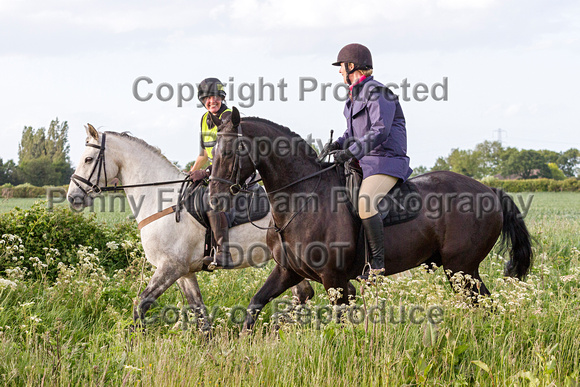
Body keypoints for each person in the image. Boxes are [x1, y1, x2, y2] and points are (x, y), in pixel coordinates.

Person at [323, 43, 413, 281]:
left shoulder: (377, 92)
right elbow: (352, 133)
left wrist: (351, 150)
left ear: (351, 66)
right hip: (364, 162)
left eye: (341, 67)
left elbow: (381, 130)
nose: (339, 72)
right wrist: (338, 145)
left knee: (365, 202)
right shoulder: (353, 97)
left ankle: (378, 265)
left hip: (385, 161)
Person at [189, 77, 233, 269]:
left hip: (232, 172)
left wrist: (206, 173)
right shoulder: (204, 119)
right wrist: (191, 174)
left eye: (215, 97)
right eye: (207, 98)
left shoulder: (229, 117)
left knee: (212, 202)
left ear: (222, 97)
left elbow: (228, 157)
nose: (211, 101)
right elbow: (204, 154)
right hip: (215, 173)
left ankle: (223, 252)